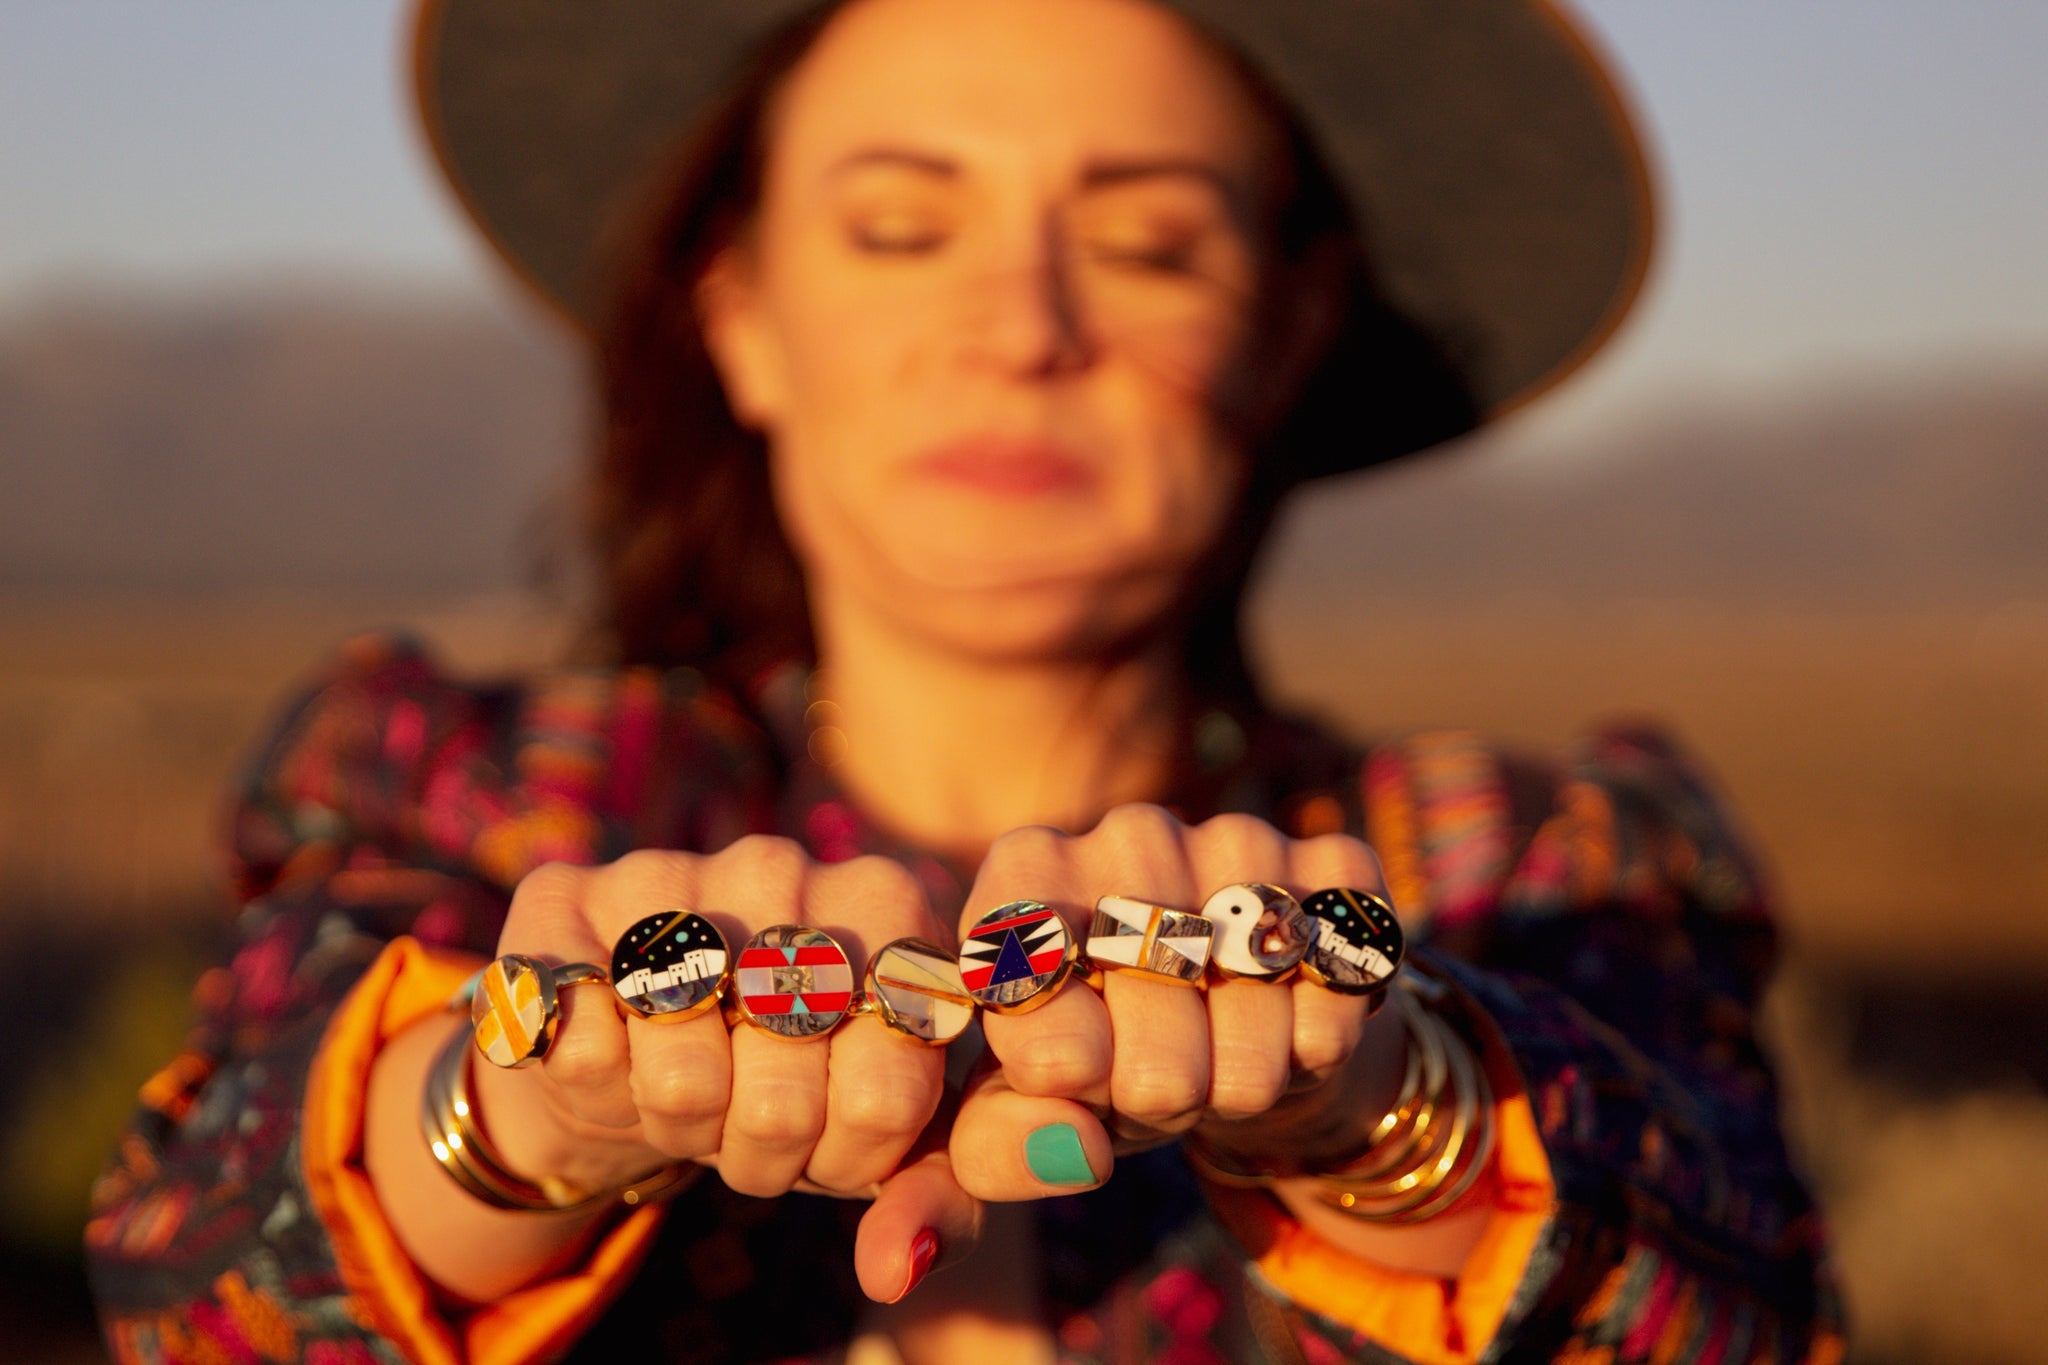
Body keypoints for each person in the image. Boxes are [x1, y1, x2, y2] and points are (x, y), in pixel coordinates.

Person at [85, 0, 1843, 1361]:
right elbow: (195, 1287)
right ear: (743, 307)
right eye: (901, 226)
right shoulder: (466, 796)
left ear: (1291, 324)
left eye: (1150, 244)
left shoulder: (1517, 869)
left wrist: (1392, 1101)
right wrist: (530, 1105)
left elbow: (1743, 1296)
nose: (1021, 324)